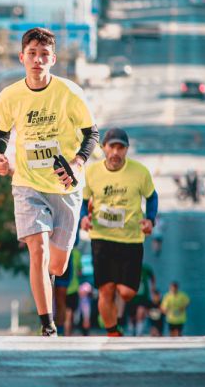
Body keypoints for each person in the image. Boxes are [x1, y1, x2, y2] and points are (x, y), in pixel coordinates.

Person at [0, 27, 99, 337]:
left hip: (66, 188)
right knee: (36, 249)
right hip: (27, 183)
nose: (37, 60)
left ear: (52, 59)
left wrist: (78, 164)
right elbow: (1, 133)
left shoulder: (69, 92)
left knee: (57, 266)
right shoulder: (9, 96)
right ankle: (47, 324)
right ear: (22, 57)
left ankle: (52, 290)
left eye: (43, 55)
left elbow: (91, 133)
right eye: (32, 54)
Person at [81, 128, 158, 337]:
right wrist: (84, 218)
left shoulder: (139, 172)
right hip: (102, 238)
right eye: (112, 147)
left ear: (126, 150)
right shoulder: (92, 172)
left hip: (131, 239)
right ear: (104, 148)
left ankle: (117, 310)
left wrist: (150, 220)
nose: (115, 152)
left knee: (126, 292)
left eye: (120, 148)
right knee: (106, 290)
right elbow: (84, 199)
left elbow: (152, 197)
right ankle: (113, 332)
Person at [126, 263, 156, 336]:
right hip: (132, 297)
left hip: (143, 297)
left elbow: (152, 276)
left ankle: (139, 333)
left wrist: (153, 287)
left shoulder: (145, 268)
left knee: (141, 313)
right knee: (132, 317)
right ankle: (131, 332)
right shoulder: (128, 268)